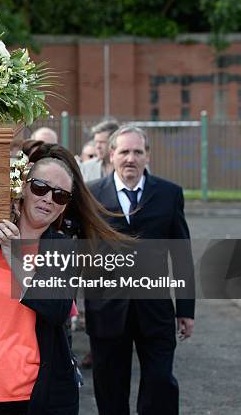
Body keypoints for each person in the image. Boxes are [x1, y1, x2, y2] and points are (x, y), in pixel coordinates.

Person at [0, 144, 128, 415]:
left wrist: (14, 254)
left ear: (64, 207)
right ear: (23, 186)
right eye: (40, 188)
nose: (48, 199)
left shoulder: (63, 249)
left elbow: (56, 309)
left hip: (33, 396)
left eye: (60, 196)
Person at [86, 125, 195, 415]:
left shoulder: (169, 194)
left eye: (137, 151)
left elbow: (181, 255)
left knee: (160, 384)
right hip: (107, 310)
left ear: (147, 155)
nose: (130, 158)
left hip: (155, 310)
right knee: (109, 389)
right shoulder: (91, 195)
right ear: (111, 155)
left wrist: (186, 309)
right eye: (124, 151)